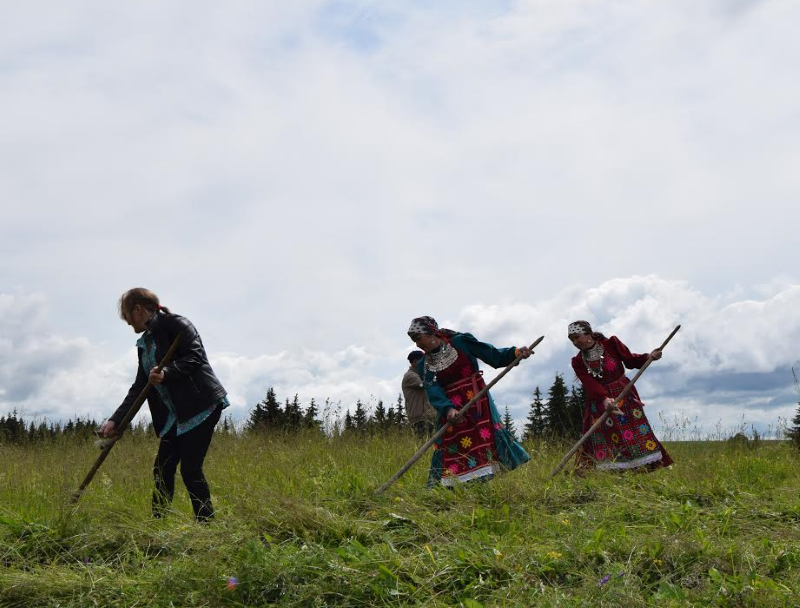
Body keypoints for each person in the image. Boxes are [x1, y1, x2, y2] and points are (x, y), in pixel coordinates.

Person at [99, 288, 229, 521]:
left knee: (190, 469)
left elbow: (195, 356)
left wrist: (167, 373)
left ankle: (207, 527)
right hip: (175, 416)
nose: (127, 322)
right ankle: (157, 525)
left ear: (137, 310)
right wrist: (116, 420)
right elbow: (140, 386)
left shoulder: (177, 325)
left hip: (201, 406)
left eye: (127, 316)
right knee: (162, 469)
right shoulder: (145, 344)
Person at [407, 316, 531, 487]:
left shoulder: (460, 342)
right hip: (449, 406)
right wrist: (448, 409)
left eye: (418, 339)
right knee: (452, 443)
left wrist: (515, 353)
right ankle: (453, 487)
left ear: (432, 334)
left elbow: (492, 354)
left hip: (476, 399)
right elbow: (432, 389)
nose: (417, 345)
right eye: (414, 341)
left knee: (483, 437)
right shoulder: (424, 364)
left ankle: (486, 486)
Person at [568, 320, 673, 472]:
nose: (575, 342)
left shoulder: (611, 344)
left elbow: (630, 360)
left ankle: (642, 468)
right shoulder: (577, 361)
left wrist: (648, 357)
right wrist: (604, 399)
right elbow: (589, 383)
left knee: (634, 432)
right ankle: (612, 472)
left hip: (625, 395)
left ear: (589, 334)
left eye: (577, 337)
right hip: (599, 402)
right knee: (604, 436)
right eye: (572, 340)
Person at [402, 351, 437, 436]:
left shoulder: (418, 374)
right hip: (419, 417)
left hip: (425, 416)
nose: (426, 364)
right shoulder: (410, 376)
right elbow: (425, 384)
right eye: (424, 361)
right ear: (415, 362)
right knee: (424, 443)